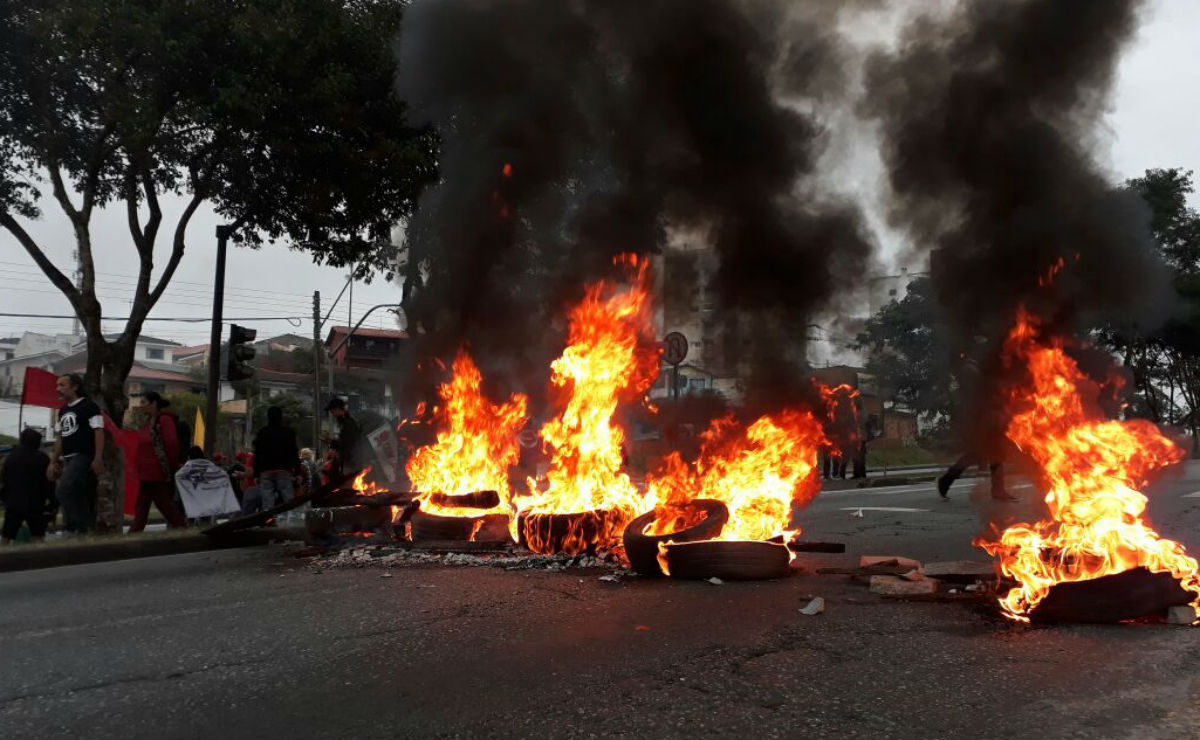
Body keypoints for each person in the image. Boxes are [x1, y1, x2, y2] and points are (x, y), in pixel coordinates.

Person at [47, 373, 104, 535]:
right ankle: (81, 528)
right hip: (68, 458)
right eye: (57, 385)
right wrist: (53, 461)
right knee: (76, 493)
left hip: (84, 455)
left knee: (63, 490)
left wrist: (98, 458)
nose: (58, 389)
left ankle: (80, 526)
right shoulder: (63, 410)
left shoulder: (89, 407)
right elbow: (61, 437)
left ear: (75, 387)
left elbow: (99, 431)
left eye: (62, 385)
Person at [129, 392, 187, 532]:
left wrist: (169, 466)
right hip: (146, 472)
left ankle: (182, 528)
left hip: (157, 473)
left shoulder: (164, 420)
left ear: (154, 403)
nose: (140, 405)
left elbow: (172, 444)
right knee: (145, 506)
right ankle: (135, 531)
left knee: (163, 505)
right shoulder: (148, 422)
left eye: (143, 402)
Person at [0, 429, 56, 544]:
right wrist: (52, 504)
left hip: (13, 504)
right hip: (35, 504)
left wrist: (4, 498)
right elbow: (49, 483)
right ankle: (40, 555)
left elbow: (4, 481)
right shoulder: (43, 458)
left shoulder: (10, 458)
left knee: (6, 537)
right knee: (38, 537)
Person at [252, 406, 300, 510]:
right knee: (288, 499)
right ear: (281, 417)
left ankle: (268, 517)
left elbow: (257, 454)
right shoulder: (289, 432)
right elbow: (294, 453)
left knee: (267, 500)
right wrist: (297, 472)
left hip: (266, 470)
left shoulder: (262, 432)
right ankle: (291, 516)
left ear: (268, 417)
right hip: (283, 470)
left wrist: (256, 474)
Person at [175, 446, 241, 521]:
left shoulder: (189, 465)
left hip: (195, 495)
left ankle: (196, 522)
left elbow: (178, 475)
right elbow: (224, 475)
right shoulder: (208, 464)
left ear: (189, 456)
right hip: (208, 495)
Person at [325, 397, 362, 484]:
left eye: (333, 412)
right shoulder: (346, 423)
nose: (333, 415)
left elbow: (349, 445)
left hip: (351, 462)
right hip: (348, 461)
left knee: (348, 485)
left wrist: (333, 443)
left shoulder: (349, 423)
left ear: (338, 409)